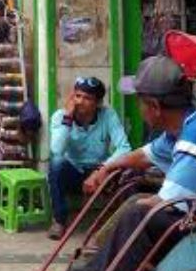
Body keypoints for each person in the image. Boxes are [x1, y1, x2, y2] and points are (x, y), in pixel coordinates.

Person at [29, 56, 196, 271]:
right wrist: (107, 168)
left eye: (140, 102)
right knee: (135, 205)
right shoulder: (181, 129)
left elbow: (167, 202)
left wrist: (135, 212)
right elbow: (142, 155)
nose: (139, 108)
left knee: (139, 214)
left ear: (153, 106)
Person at [46, 76, 132, 239]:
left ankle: (118, 224)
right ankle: (59, 221)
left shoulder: (108, 115)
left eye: (87, 98)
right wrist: (68, 118)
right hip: (73, 172)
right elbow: (57, 149)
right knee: (56, 162)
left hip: (100, 172)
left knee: (128, 169)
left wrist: (102, 169)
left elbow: (124, 147)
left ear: (98, 103)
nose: (80, 102)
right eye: (77, 96)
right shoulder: (60, 116)